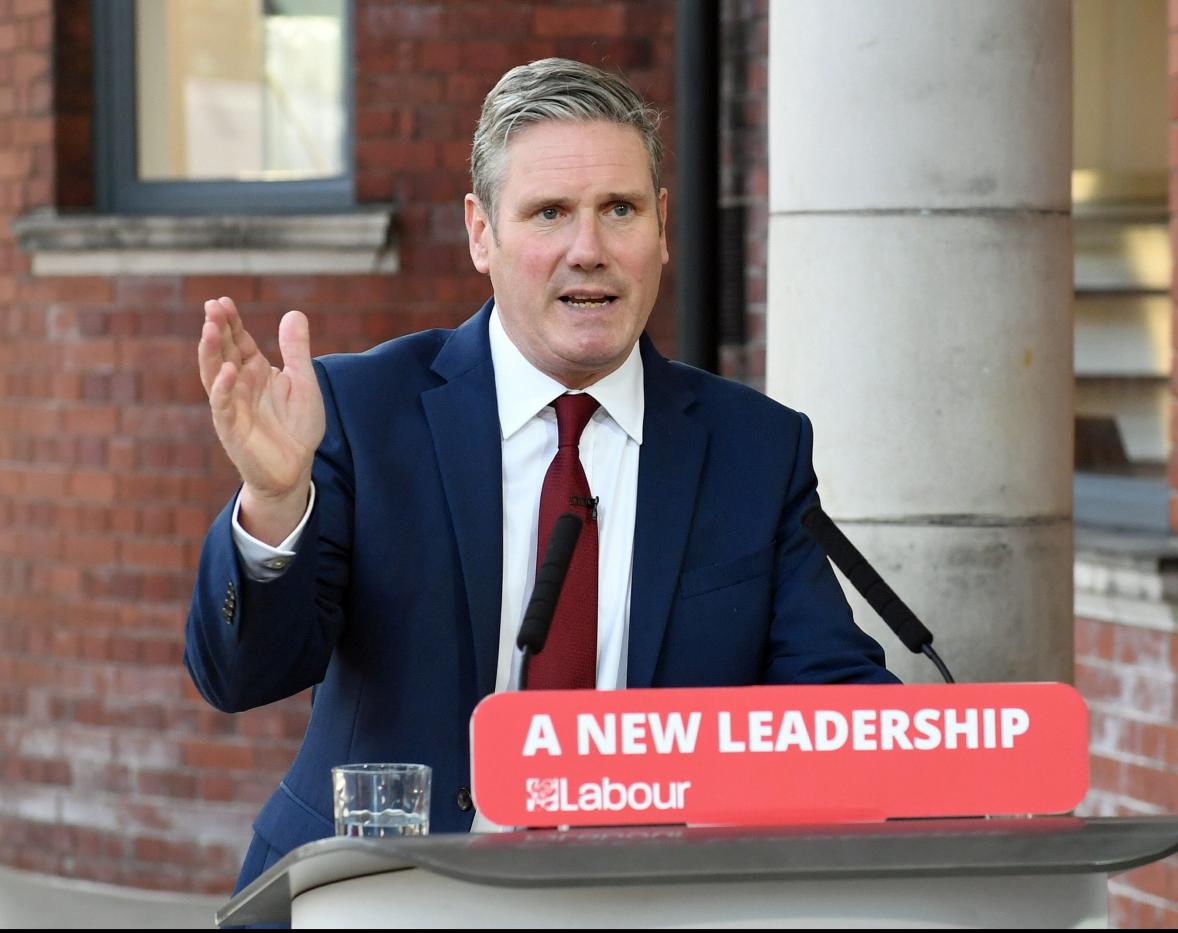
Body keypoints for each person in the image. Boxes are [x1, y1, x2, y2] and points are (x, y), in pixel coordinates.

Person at [186, 58, 897, 893]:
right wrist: (274, 502)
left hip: (654, 905)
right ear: (481, 232)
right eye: (549, 212)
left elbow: (841, 716)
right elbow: (242, 675)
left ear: (663, 227)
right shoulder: (365, 411)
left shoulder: (753, 448)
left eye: (619, 210)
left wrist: (951, 754)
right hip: (383, 896)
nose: (587, 250)